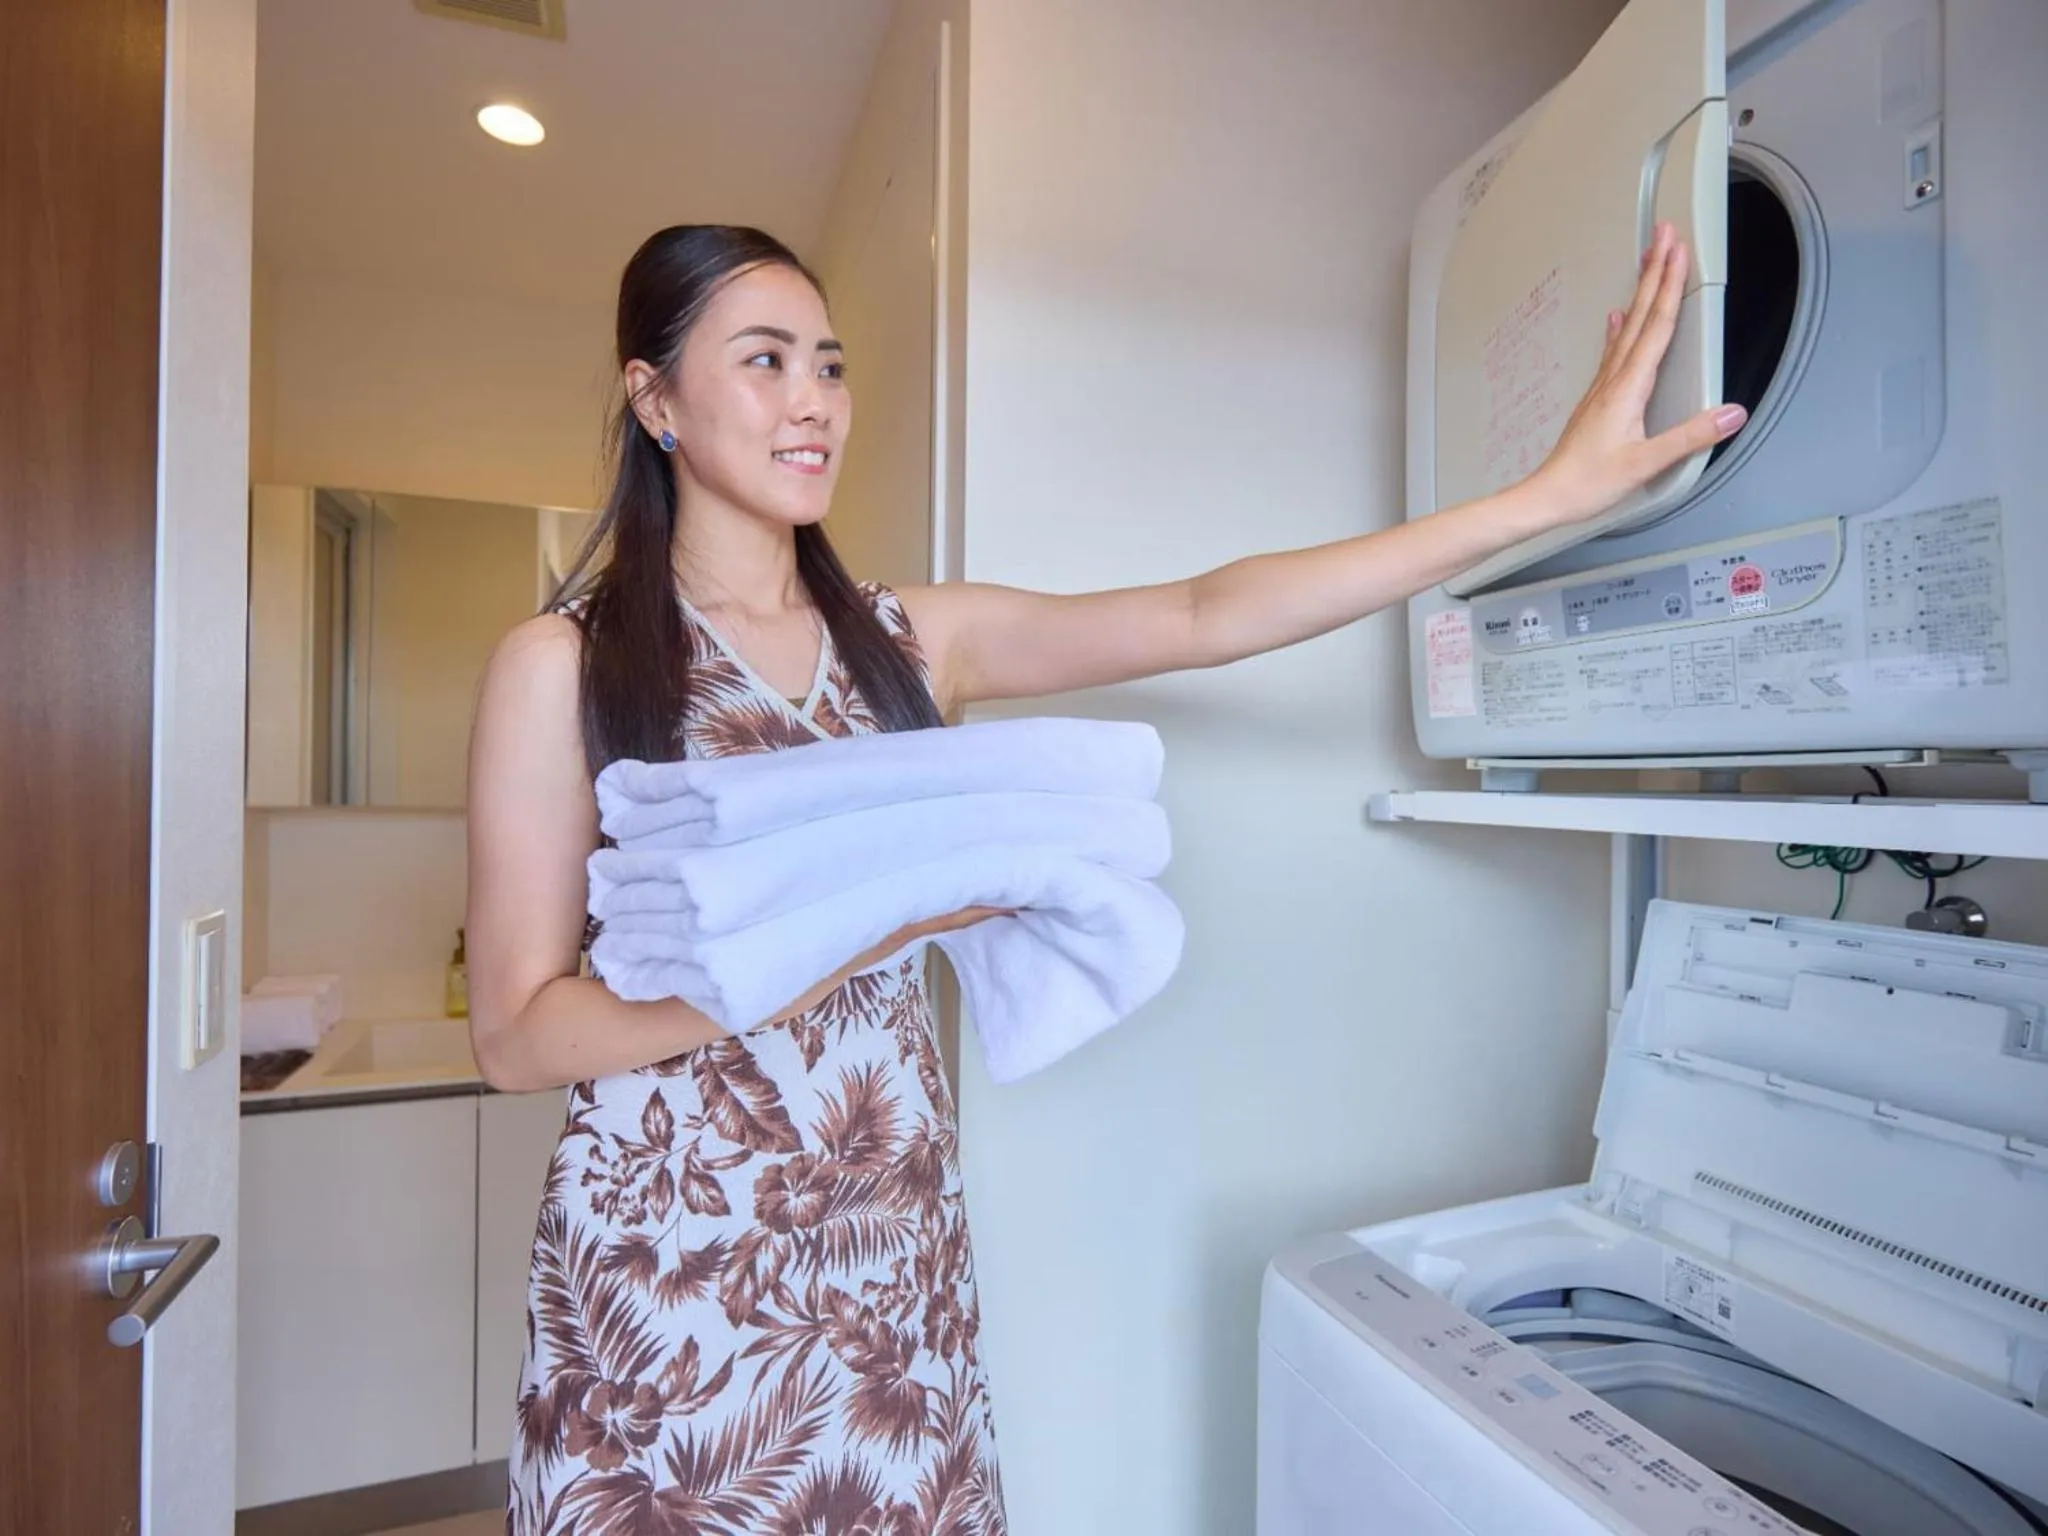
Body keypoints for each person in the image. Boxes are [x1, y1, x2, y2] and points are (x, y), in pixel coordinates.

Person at [468, 220, 1743, 1533]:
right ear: (655, 396)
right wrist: (844, 938)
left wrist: (1542, 500)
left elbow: (1204, 614)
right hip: (673, 1279)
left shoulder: (908, 641)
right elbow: (515, 1034)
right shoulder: (562, 667)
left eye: (831, 366)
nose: (813, 402)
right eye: (767, 360)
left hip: (887, 1256)